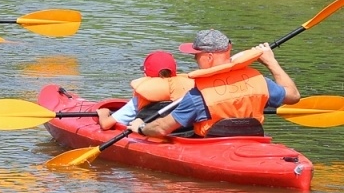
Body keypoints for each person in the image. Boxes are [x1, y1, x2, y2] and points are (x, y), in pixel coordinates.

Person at [128, 30, 300, 139]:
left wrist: (141, 128)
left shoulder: (198, 95)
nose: (195, 59)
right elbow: (293, 96)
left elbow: (161, 128)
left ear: (209, 57)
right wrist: (271, 62)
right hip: (252, 141)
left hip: (212, 147)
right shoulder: (259, 80)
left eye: (196, 55)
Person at [97, 50, 192, 131]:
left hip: (151, 136)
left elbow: (105, 125)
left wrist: (103, 113)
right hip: (181, 135)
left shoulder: (138, 101)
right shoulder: (189, 94)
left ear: (146, 74)